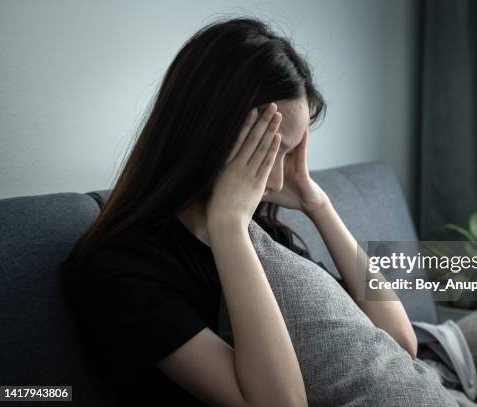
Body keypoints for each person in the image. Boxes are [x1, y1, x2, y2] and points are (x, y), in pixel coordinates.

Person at [60, 16, 417, 406]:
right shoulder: (122, 269)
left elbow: (400, 344)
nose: (279, 181)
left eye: (290, 151)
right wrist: (229, 227)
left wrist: (319, 205)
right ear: (208, 135)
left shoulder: (267, 239)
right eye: (269, 150)